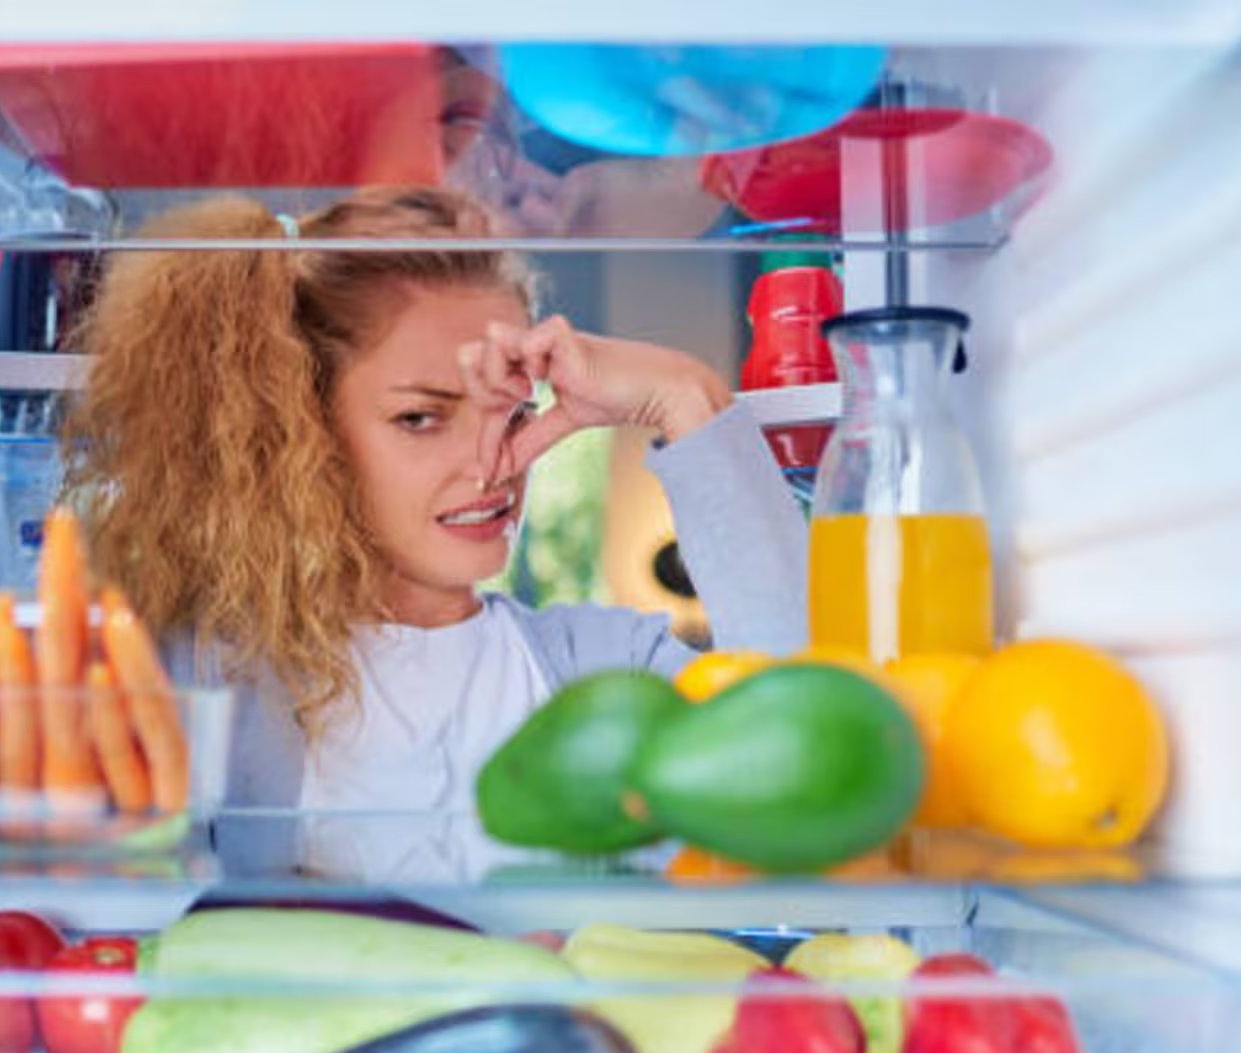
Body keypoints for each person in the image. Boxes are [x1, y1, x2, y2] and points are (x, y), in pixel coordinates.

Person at [59, 187, 805, 868]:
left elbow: (817, 750)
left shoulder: (606, 667)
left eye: (514, 414)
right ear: (297, 430)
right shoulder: (195, 674)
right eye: (422, 418)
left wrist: (683, 397)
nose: (493, 466)